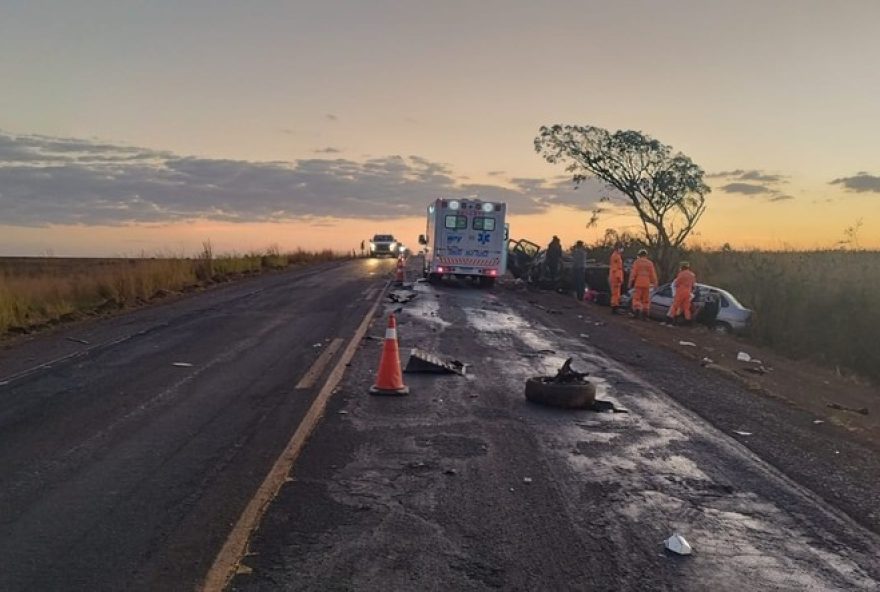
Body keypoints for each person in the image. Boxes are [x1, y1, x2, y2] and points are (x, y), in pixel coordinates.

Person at [628, 248, 658, 319]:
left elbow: (633, 273)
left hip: (638, 283)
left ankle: (637, 311)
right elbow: (653, 274)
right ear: (646, 255)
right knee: (646, 300)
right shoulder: (650, 263)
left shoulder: (637, 262)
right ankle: (645, 315)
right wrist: (655, 283)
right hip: (647, 284)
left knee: (636, 298)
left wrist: (630, 282)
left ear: (639, 255)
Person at [608, 243, 624, 313]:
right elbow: (616, 268)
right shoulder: (616, 256)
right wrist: (619, 277)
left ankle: (615, 306)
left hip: (615, 276)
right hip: (615, 277)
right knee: (615, 293)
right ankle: (615, 307)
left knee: (616, 293)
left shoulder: (617, 255)